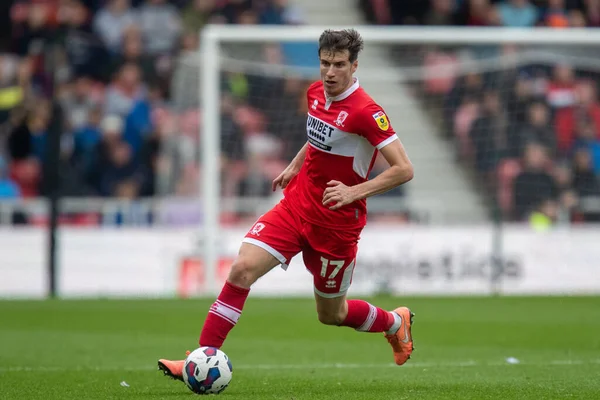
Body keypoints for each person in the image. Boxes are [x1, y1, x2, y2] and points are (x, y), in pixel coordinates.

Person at [158, 29, 415, 380]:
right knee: (241, 269)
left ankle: (393, 322)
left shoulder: (366, 112)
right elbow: (317, 138)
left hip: (336, 225)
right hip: (296, 207)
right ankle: (200, 359)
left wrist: (355, 193)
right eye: (325, 63)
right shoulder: (314, 93)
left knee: (331, 314)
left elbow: (404, 169)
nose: (330, 72)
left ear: (355, 66)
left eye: (339, 65)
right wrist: (295, 166)